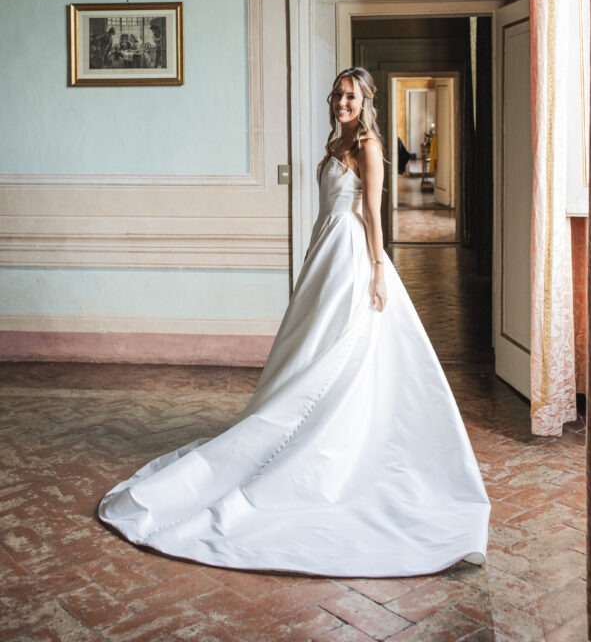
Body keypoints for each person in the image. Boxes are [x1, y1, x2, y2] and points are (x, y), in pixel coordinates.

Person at [98, 67, 490, 576]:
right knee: (307, 345)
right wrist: (310, 258)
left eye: (350, 96)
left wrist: (376, 271)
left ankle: (335, 438)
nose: (341, 103)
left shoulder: (368, 148)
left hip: (353, 258)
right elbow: (326, 211)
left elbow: (372, 214)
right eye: (337, 95)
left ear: (366, 101)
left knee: (343, 350)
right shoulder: (334, 145)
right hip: (325, 254)